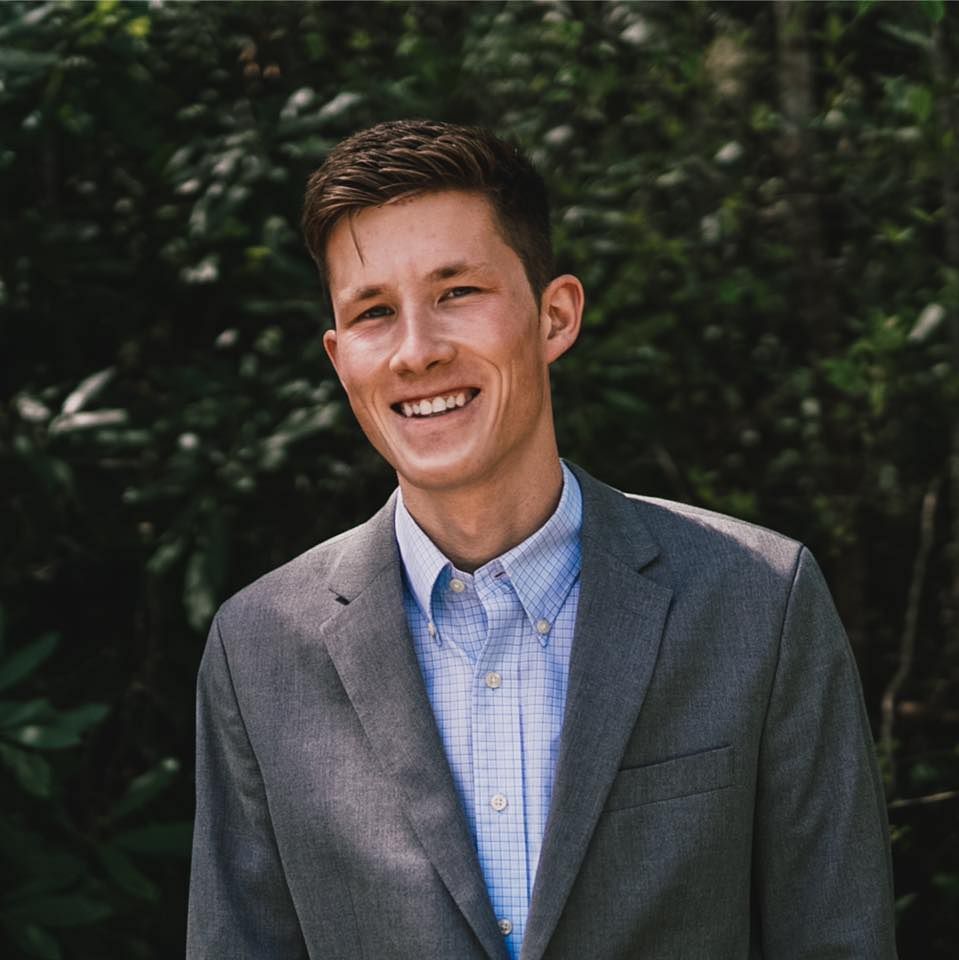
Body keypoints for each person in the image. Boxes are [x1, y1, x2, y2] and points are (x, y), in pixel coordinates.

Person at [186, 119, 897, 960]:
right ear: (341, 358)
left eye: (457, 292)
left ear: (554, 316)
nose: (416, 351)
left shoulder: (758, 598)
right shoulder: (258, 646)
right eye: (375, 312)